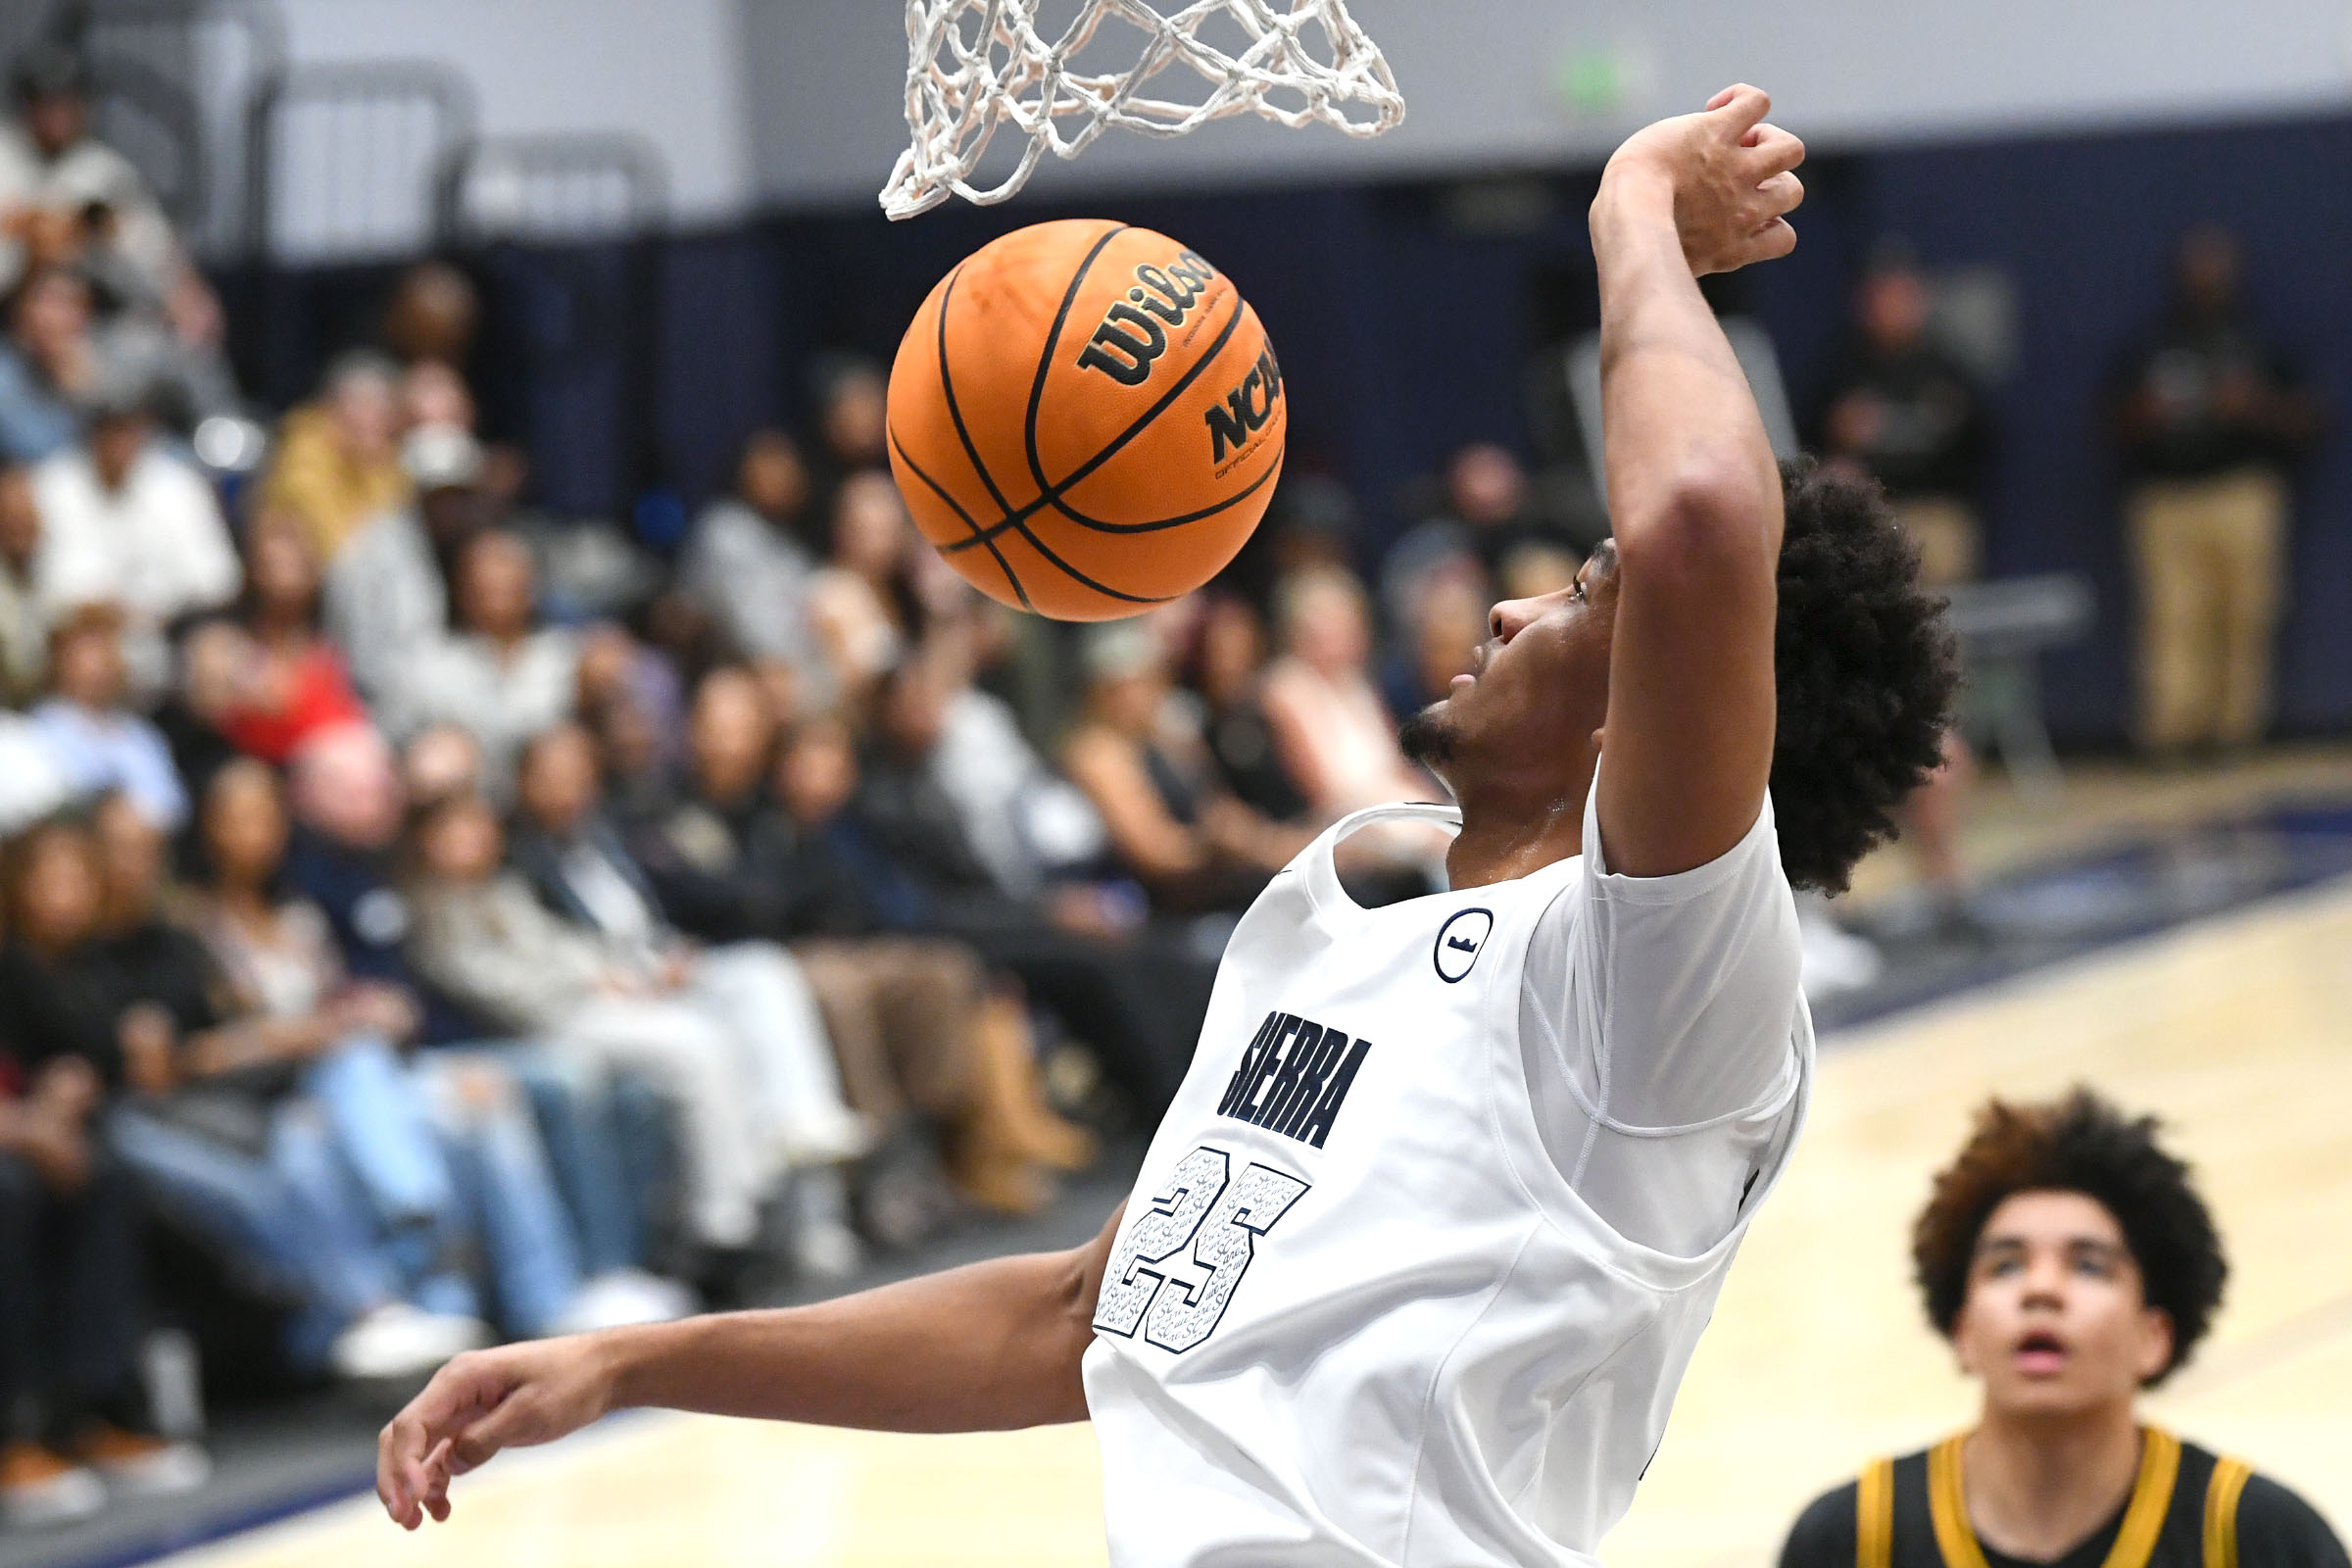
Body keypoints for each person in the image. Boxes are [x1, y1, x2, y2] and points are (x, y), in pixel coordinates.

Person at [376, 87, 1952, 1568]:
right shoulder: (1323, 920)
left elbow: (1697, 525)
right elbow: (1079, 1314)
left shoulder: (1667, 987)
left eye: (1582, 593)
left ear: (1652, 714)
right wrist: (632, 1362)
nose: (1513, 597)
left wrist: (1629, 208)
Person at [1776, 1089, 2348, 1568]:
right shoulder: (1851, 1539)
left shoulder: (2259, 1538)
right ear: (1963, 1330)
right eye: (2006, 1265)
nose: (2041, 1290)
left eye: (2088, 1265)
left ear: (2155, 1336)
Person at [403, 787, 865, 1277]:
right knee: (696, 1043)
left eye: (480, 824)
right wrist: (594, 981)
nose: (476, 837)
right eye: (458, 828)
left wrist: (629, 973)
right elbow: (494, 989)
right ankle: (726, 1212)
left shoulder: (502, 889)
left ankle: (780, 1157)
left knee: (746, 990)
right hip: (541, 1026)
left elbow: (565, 945)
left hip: (592, 999)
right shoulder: (428, 910)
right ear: (425, 841)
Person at [2110, 225, 2322, 756]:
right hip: (2168, 495)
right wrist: (2147, 413)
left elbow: (2310, 420)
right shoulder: (2153, 344)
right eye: (2196, 266)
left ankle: (2236, 733)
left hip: (2242, 492)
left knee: (2247, 614)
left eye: (2216, 265)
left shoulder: (2258, 342)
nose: (2206, 277)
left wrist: (2253, 406)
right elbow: (2110, 421)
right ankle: (2171, 734)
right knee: (2172, 619)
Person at [31, 375, 241, 694]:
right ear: (92, 431)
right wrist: (99, 612)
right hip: (77, 639)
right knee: (87, 653)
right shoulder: (51, 486)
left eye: (130, 428)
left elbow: (219, 580)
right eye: (110, 427)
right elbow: (49, 587)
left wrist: (152, 610)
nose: (120, 441)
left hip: (168, 638)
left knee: (217, 651)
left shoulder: (179, 487)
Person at [1817, 245, 1992, 590]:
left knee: (1942, 576)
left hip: (1935, 509)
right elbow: (1807, 443)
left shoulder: (1946, 365)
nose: (1891, 306)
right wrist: (1837, 441)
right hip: (1872, 511)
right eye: (1881, 296)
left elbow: (1984, 440)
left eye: (1901, 294)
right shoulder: (1844, 368)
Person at [29, 603, 185, 830]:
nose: (97, 668)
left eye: (105, 653)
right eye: (84, 656)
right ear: (59, 662)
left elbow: (173, 806)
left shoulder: (141, 735)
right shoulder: (37, 731)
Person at [260, 351, 411, 566]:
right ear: (336, 406)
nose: (381, 422)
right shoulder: (302, 457)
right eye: (369, 407)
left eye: (388, 412)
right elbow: (337, 553)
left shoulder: (384, 464)